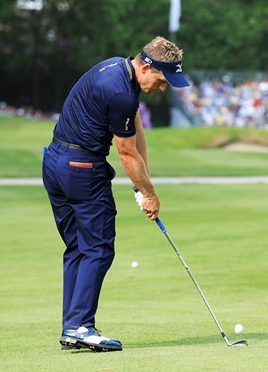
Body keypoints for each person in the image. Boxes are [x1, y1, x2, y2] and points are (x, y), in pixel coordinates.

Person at [42, 36, 189, 352]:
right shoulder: (122, 93)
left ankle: (72, 327)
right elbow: (125, 154)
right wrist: (149, 195)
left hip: (55, 163)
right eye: (163, 81)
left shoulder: (117, 69)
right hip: (82, 169)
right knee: (98, 248)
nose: (163, 89)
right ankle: (81, 326)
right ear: (147, 66)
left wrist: (144, 184)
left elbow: (137, 139)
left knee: (79, 247)